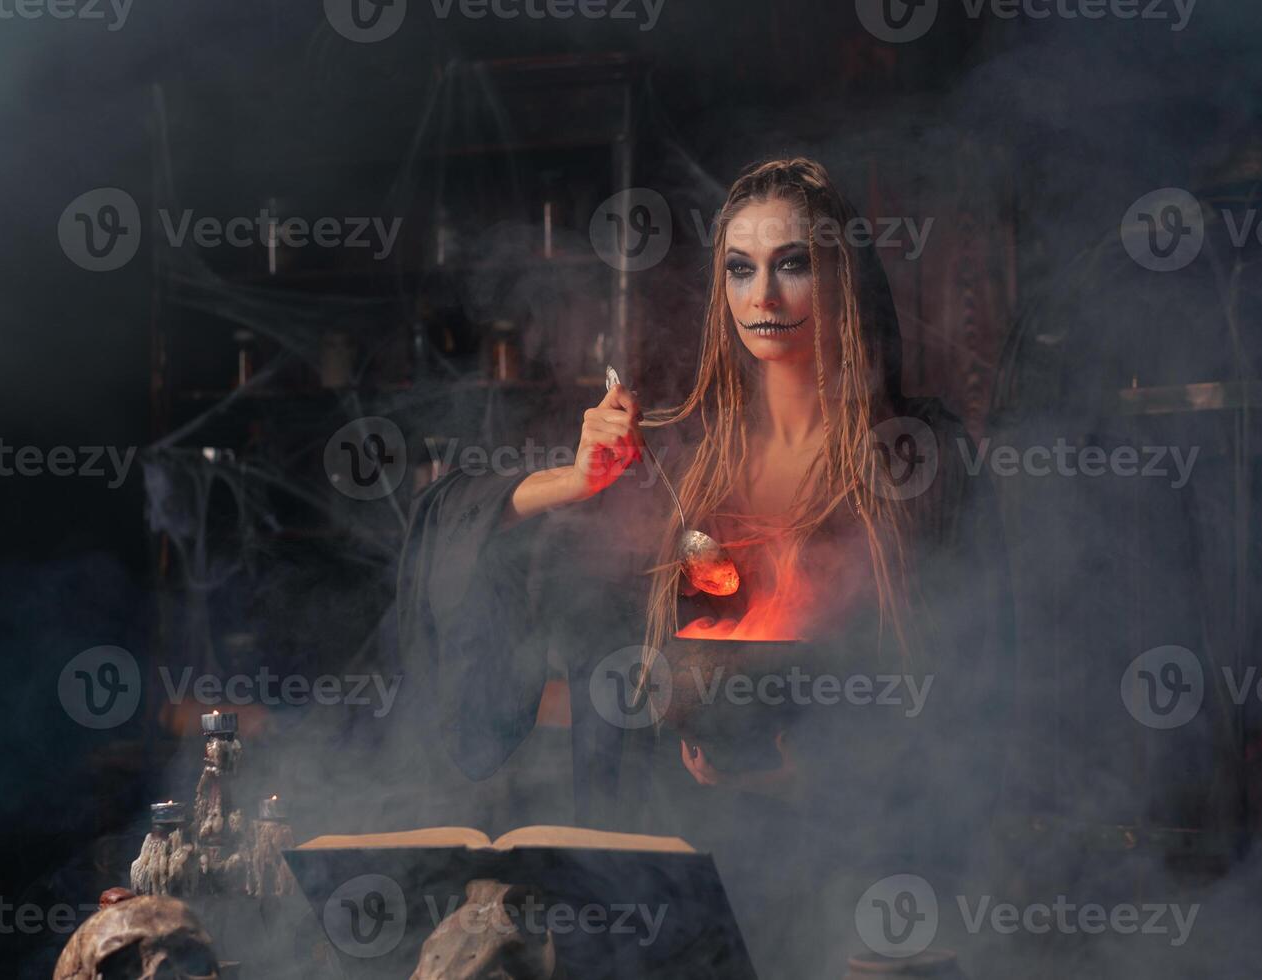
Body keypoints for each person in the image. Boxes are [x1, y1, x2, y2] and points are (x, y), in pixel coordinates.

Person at [398, 157, 1013, 977]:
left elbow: (981, 679)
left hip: (864, 868)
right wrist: (577, 481)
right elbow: (472, 540)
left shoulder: (916, 460)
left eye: (793, 265)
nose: (763, 298)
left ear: (842, 280)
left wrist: (824, 773)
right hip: (689, 879)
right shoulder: (685, 455)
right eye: (741, 269)